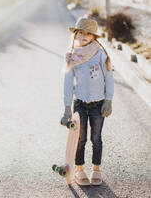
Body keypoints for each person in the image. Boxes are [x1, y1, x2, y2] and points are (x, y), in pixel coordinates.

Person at [61, 17, 114, 186]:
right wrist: (67, 108)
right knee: (80, 138)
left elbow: (109, 77)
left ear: (93, 36)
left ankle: (96, 169)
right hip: (80, 105)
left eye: (88, 33)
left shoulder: (100, 53)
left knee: (96, 138)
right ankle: (79, 170)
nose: (83, 36)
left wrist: (108, 100)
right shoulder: (72, 56)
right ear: (75, 35)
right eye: (80, 33)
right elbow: (68, 83)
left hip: (99, 105)